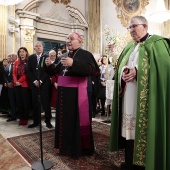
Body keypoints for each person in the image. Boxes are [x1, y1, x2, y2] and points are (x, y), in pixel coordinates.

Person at [109, 16, 170, 170]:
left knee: (144, 129)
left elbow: (164, 68)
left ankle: (145, 163)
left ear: (145, 26)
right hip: (129, 95)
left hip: (149, 98)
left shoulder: (157, 43)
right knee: (129, 131)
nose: (131, 30)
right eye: (129, 27)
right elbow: (120, 68)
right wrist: (123, 72)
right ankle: (130, 162)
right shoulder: (130, 46)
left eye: (134, 26)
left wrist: (139, 71)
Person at [45, 32, 100, 158]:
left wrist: (73, 63)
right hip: (63, 94)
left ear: (80, 41)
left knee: (76, 121)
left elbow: (93, 71)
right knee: (64, 121)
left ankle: (78, 148)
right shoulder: (63, 55)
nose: (68, 41)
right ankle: (64, 147)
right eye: (67, 38)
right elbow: (54, 70)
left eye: (72, 39)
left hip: (76, 94)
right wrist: (48, 65)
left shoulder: (86, 54)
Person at [27, 41, 52, 128]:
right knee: (35, 103)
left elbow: (47, 71)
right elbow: (29, 70)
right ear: (34, 48)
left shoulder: (46, 57)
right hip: (34, 85)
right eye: (36, 46)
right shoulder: (31, 58)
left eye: (40, 46)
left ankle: (48, 121)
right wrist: (34, 81)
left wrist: (40, 81)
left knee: (46, 103)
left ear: (42, 48)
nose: (38, 47)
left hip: (44, 84)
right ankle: (36, 121)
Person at [13, 47, 31, 125]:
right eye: (20, 52)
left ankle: (25, 118)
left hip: (25, 84)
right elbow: (13, 73)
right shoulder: (16, 62)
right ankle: (21, 118)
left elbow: (27, 74)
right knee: (19, 102)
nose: (21, 53)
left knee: (25, 102)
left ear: (26, 52)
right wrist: (16, 81)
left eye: (23, 51)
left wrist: (19, 81)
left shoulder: (28, 62)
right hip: (16, 84)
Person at [4, 54, 18, 121]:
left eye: (13, 56)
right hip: (9, 86)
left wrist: (13, 82)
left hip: (16, 86)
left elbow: (17, 74)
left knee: (17, 101)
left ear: (16, 57)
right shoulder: (8, 65)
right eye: (10, 56)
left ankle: (19, 115)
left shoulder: (17, 64)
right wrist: (7, 82)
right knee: (11, 101)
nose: (11, 57)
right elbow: (5, 75)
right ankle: (13, 115)